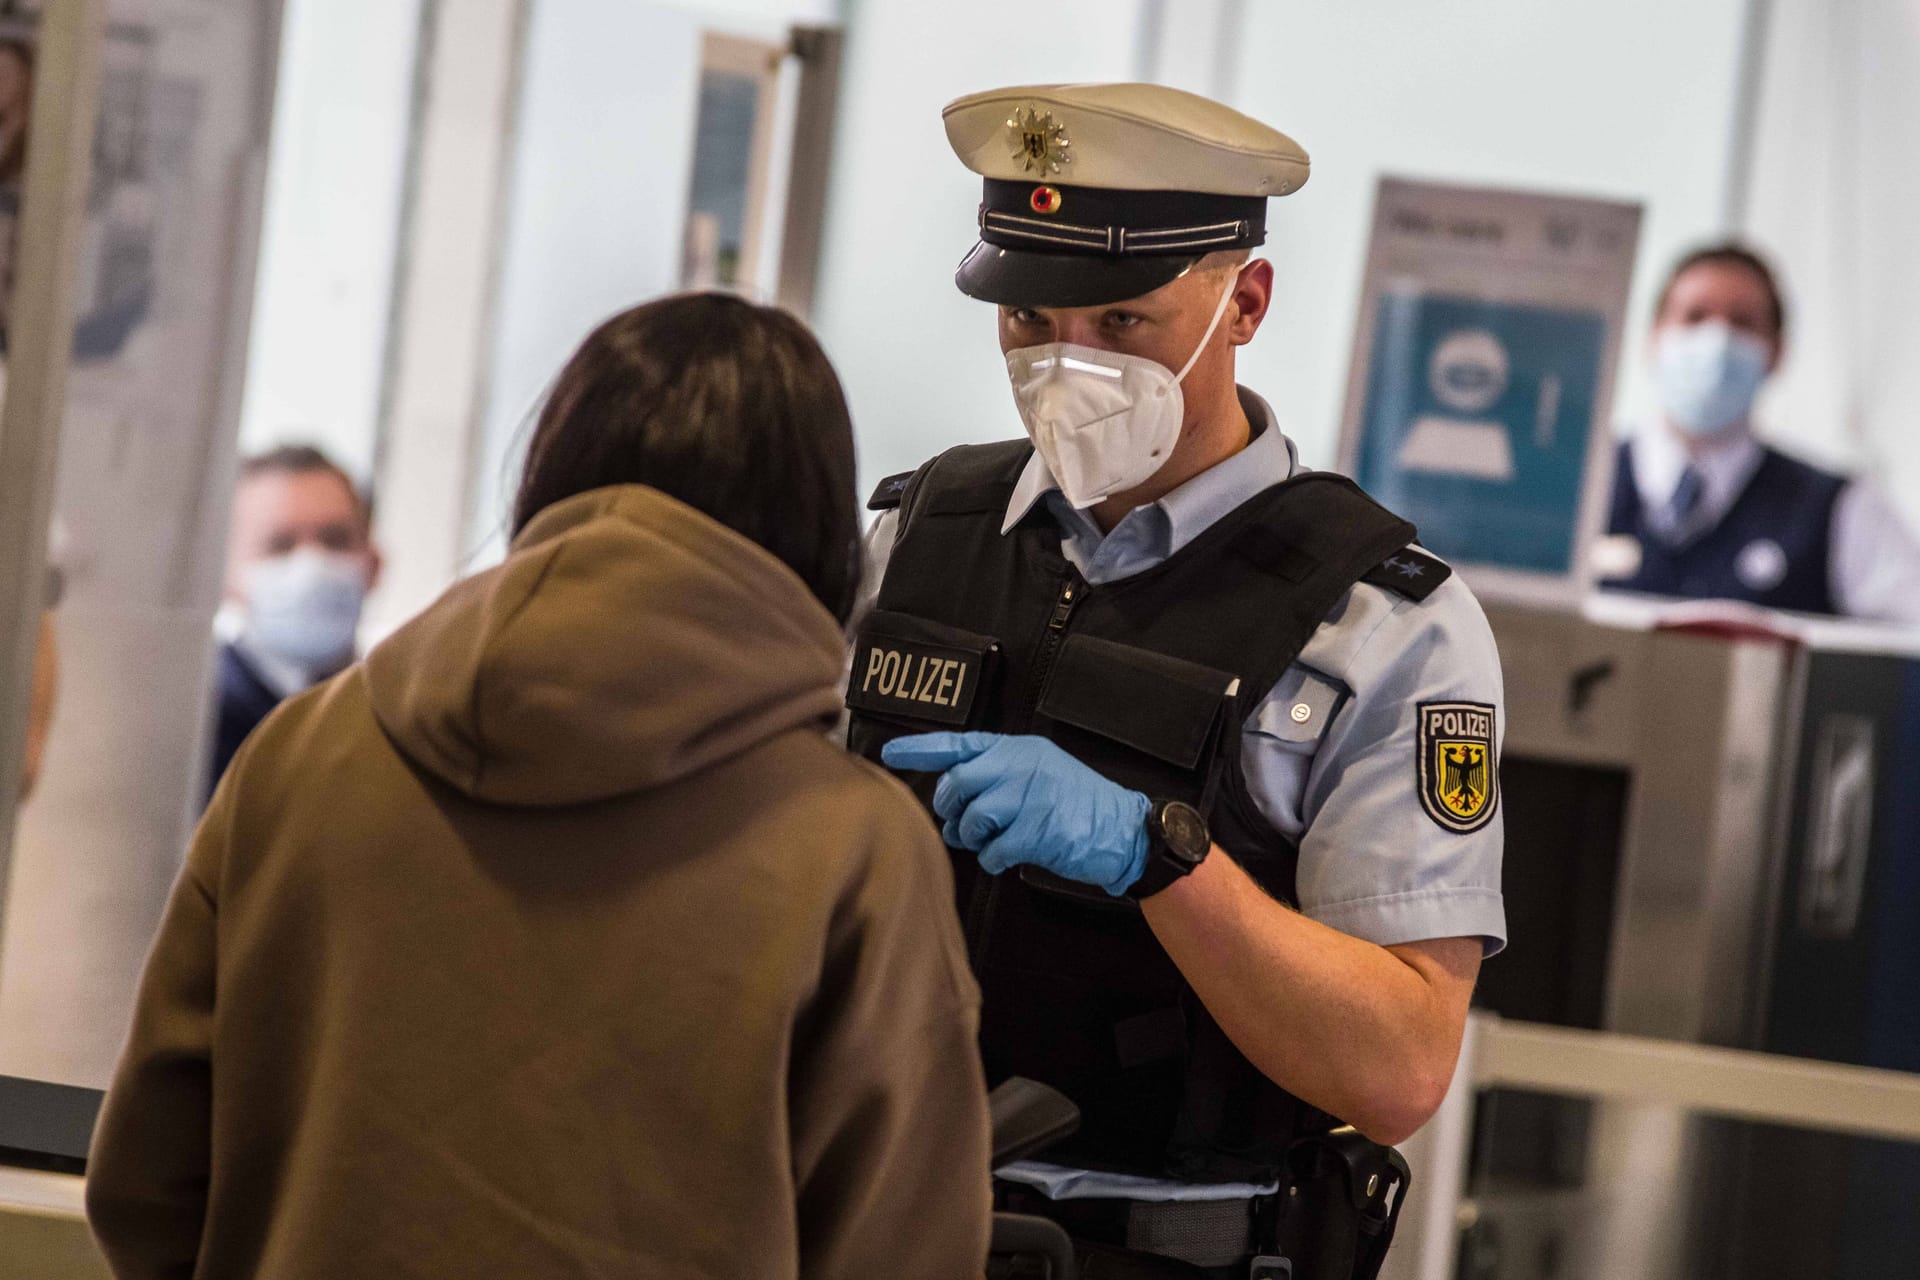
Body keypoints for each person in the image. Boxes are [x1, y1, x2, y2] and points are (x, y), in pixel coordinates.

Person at [87, 294, 992, 1280]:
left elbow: (145, 1183)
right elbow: (906, 1249)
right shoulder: (854, 848)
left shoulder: (299, 754)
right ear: (819, 531)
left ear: (548, 476)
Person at [846, 83, 1504, 1276]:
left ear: (1243, 301)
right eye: (1029, 320)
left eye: (1125, 323)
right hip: (866, 1217)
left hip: (1153, 1244)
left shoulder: (1380, 626)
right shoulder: (914, 540)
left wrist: (1166, 862)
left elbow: (1400, 1065)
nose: (1066, 365)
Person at [1602, 242, 1920, 622]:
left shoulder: (1838, 507)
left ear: (1776, 352)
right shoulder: (1575, 485)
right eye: (1694, 316)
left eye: (1743, 322)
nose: (1716, 340)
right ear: (1653, 338)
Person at [206, 444, 382, 803]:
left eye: (336, 540)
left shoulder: (399, 718)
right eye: (279, 545)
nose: (311, 566)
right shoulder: (201, 723)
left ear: (374, 564)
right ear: (223, 574)